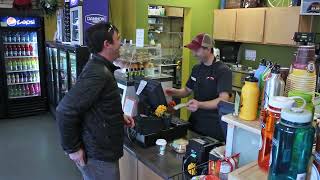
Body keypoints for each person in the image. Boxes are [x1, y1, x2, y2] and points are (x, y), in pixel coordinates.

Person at [56, 22, 135, 180]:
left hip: (103, 152)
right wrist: (73, 149)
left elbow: (96, 105)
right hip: (99, 156)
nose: (121, 43)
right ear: (107, 44)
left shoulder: (101, 67)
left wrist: (118, 116)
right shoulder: (98, 73)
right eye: (118, 39)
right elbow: (64, 110)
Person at [166, 33, 232, 141]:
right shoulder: (197, 69)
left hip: (213, 127)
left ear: (208, 49)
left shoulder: (223, 71)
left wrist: (199, 104)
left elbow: (223, 100)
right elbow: (187, 90)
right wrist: (173, 92)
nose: (193, 54)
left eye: (197, 50)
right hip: (195, 123)